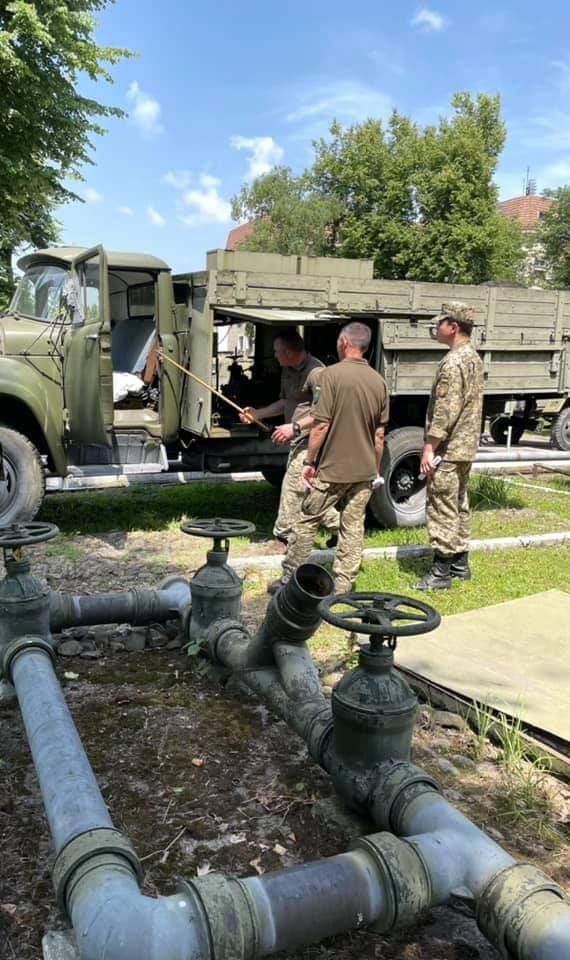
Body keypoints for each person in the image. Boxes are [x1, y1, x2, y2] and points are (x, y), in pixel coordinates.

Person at [268, 321, 389, 595]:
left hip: (332, 469)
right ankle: (344, 586)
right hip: (364, 471)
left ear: (345, 343)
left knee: (305, 521)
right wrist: (376, 471)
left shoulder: (331, 376)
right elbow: (379, 435)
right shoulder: (379, 381)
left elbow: (321, 424)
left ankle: (289, 581)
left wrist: (310, 462)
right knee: (353, 527)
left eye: (338, 340)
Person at [239, 329, 339, 550]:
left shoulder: (317, 373)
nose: (274, 355)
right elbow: (286, 402)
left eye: (277, 351)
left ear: (289, 352)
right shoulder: (288, 370)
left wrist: (294, 427)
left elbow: (326, 414)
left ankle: (283, 538)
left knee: (291, 487)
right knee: (309, 491)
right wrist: (258, 414)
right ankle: (339, 529)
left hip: (313, 441)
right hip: (297, 442)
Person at [415, 302, 484, 590]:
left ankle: (441, 572)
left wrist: (430, 447)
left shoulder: (454, 361)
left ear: (453, 327)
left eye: (440, 322)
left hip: (449, 448)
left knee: (442, 505)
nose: (436, 327)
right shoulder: (473, 358)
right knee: (459, 504)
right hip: (465, 447)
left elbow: (446, 409)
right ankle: (459, 564)